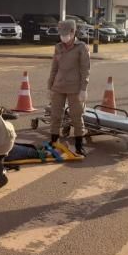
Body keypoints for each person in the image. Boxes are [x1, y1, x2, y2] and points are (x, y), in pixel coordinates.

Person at [47, 19, 91, 156]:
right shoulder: (58, 47)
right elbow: (54, 68)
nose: (63, 36)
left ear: (73, 32)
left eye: (65, 34)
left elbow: (85, 69)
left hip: (75, 88)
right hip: (58, 86)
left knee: (77, 117)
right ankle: (54, 142)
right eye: (61, 34)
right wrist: (50, 87)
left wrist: (84, 89)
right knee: (55, 116)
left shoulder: (81, 47)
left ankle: (79, 145)